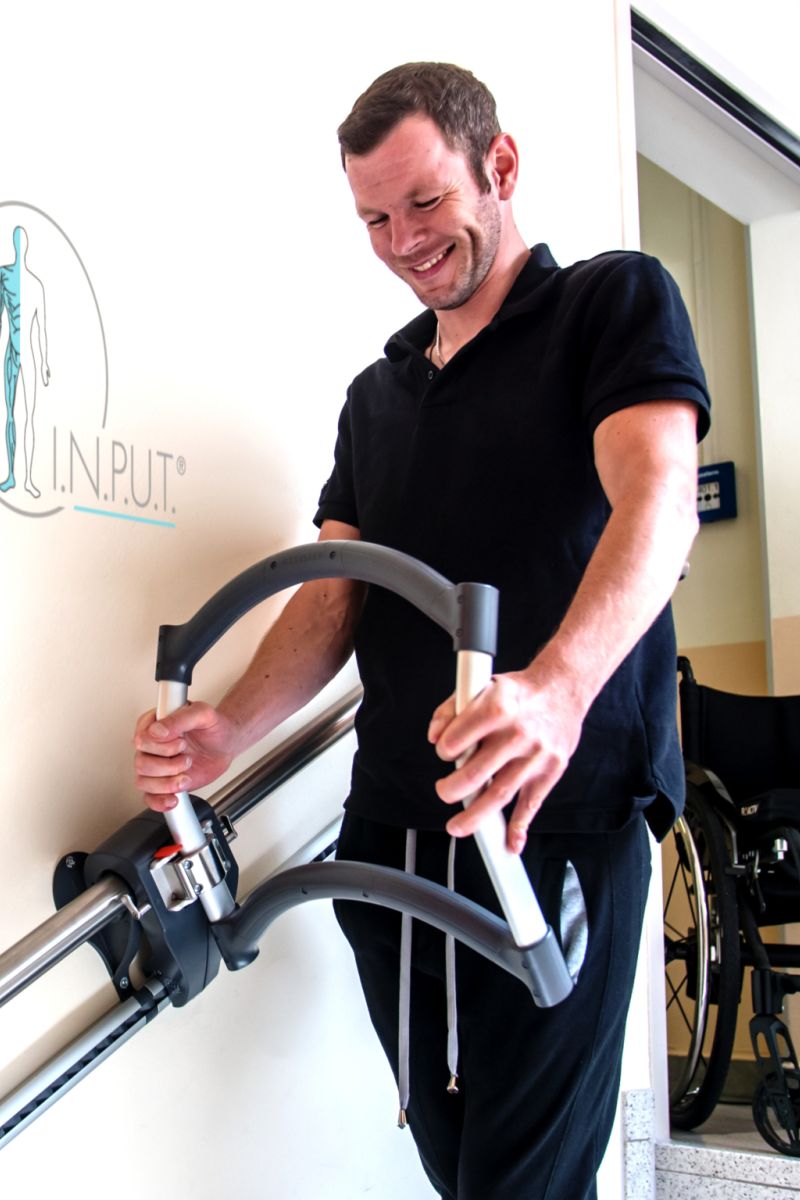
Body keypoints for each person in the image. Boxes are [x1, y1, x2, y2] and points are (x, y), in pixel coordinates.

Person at [134, 63, 710, 1200]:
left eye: (425, 203)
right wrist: (230, 728)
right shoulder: (377, 394)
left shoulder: (609, 305)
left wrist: (553, 689)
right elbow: (335, 595)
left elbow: (658, 499)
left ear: (497, 165)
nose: (402, 239)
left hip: (555, 815)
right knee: (468, 1175)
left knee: (520, 1188)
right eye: (373, 218)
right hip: (394, 839)